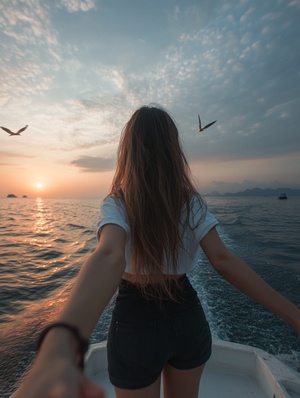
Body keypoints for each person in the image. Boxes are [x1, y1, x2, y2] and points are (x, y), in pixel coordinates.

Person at [13, 105, 300, 398]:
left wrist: (58, 351)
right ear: (173, 150)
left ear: (129, 151)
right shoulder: (191, 202)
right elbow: (223, 260)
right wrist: (294, 316)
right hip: (187, 315)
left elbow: (110, 256)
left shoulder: (118, 203)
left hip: (134, 322)